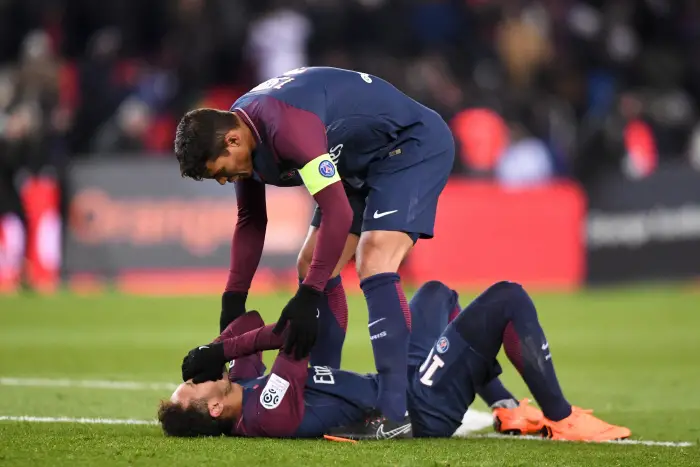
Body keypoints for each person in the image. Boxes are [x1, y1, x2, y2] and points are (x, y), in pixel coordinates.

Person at [173, 66, 455, 421]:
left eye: (220, 172)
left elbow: (338, 211)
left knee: (374, 257)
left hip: (409, 144)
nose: (223, 181)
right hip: (357, 161)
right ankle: (322, 391)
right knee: (310, 265)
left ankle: (395, 412)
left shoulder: (286, 128)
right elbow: (251, 220)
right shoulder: (241, 133)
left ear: (232, 141)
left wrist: (308, 295)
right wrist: (234, 298)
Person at [159, 280, 631, 441]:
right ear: (214, 409)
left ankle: (505, 406)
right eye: (195, 387)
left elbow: (246, 323)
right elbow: (293, 336)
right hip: (418, 408)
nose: (200, 379)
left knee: (436, 295)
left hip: (397, 382)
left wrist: (214, 349)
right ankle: (563, 418)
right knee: (507, 298)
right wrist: (222, 353)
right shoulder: (266, 413)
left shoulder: (242, 390)